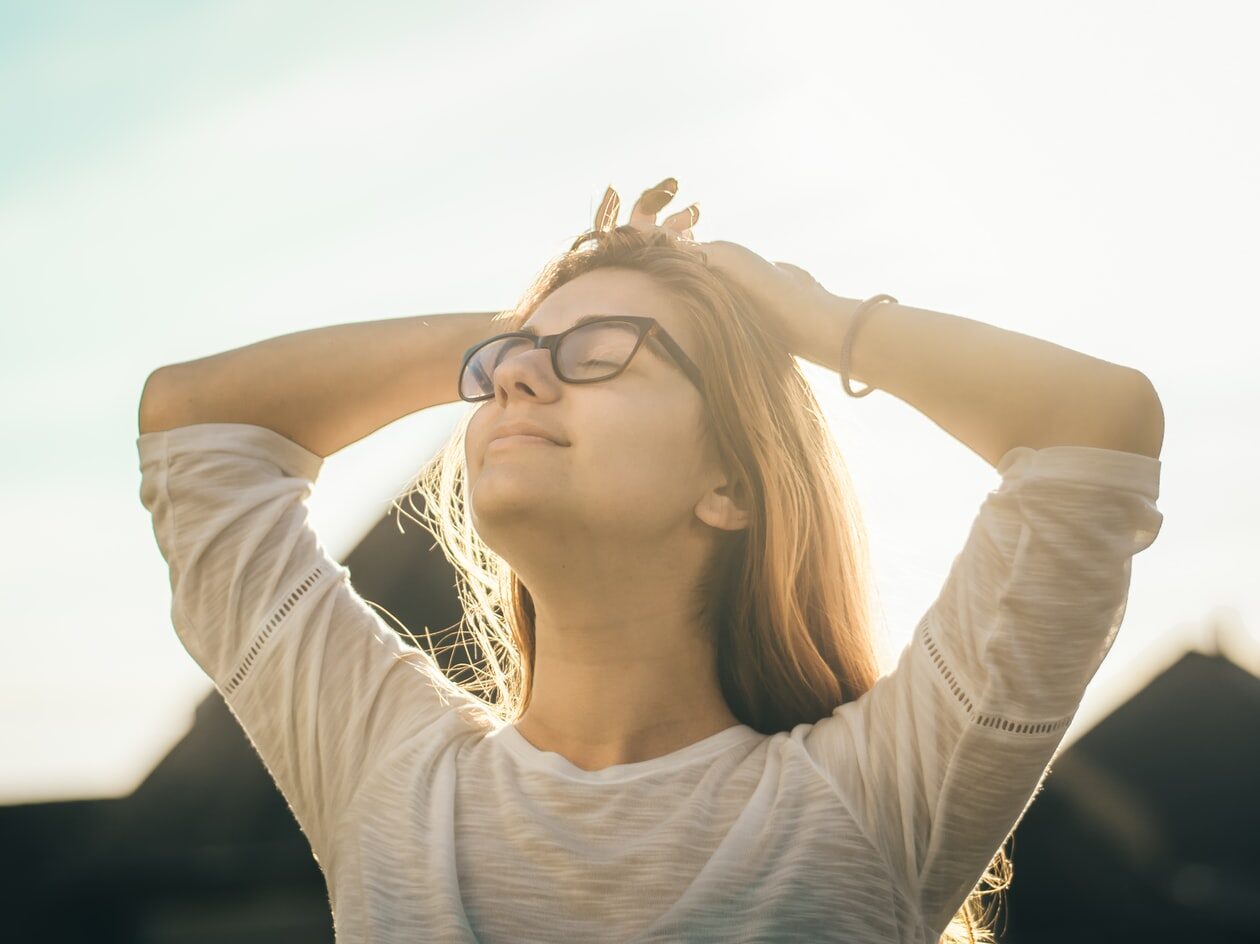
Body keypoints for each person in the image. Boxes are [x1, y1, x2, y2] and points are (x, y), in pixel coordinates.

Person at [136, 177, 1164, 943]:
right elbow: (192, 421)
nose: (518, 382)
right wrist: (530, 321)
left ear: (733, 485)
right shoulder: (386, 772)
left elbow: (1094, 426)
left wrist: (812, 319)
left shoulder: (874, 796)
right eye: (504, 369)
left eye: (601, 354)